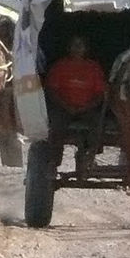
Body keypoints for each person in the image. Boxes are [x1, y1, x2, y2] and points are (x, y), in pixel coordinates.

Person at [44, 35, 106, 167]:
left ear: (85, 49)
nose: (77, 48)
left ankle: (90, 154)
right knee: (56, 126)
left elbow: (101, 94)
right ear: (69, 48)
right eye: (74, 45)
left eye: (80, 45)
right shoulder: (60, 66)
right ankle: (54, 161)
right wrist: (66, 107)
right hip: (63, 108)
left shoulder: (93, 67)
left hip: (87, 109)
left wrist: (86, 107)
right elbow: (52, 91)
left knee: (98, 124)